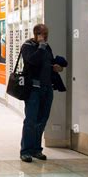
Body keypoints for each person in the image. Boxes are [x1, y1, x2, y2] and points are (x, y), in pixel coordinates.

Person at [19, 24, 66, 163]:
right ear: (36, 33)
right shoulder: (27, 46)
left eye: (46, 33)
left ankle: (36, 149)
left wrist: (56, 68)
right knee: (31, 120)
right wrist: (40, 46)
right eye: (42, 33)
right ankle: (25, 151)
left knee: (42, 120)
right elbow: (32, 61)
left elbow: (48, 63)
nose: (45, 35)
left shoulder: (47, 47)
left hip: (47, 89)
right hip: (33, 89)